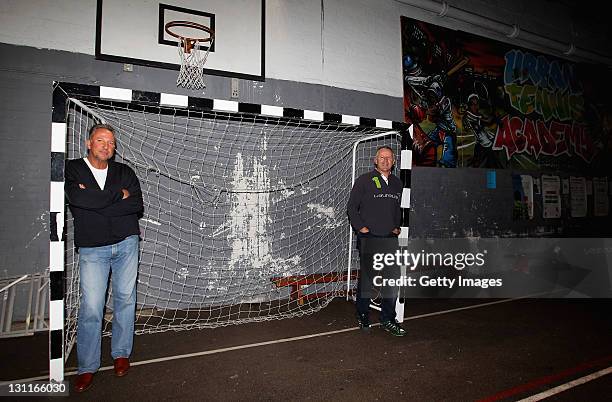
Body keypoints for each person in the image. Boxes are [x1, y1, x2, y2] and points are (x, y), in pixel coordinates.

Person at [65, 124, 144, 392]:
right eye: (100, 140)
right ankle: (87, 366)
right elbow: (77, 199)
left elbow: (136, 205)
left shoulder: (124, 172)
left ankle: (121, 353)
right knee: (91, 307)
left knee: (125, 300)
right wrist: (115, 198)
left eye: (110, 142)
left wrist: (97, 202)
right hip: (92, 249)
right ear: (89, 143)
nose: (106, 146)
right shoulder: (73, 169)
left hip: (126, 244)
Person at [347, 146, 406, 336]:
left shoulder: (397, 184)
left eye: (389, 158)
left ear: (394, 162)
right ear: (375, 160)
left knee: (392, 279)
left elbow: (398, 209)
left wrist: (396, 226)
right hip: (369, 237)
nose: (385, 161)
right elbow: (351, 208)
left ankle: (388, 318)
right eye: (382, 157)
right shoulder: (364, 181)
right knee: (368, 279)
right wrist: (362, 229)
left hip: (389, 238)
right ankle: (363, 313)